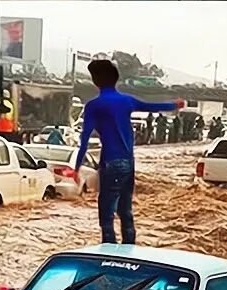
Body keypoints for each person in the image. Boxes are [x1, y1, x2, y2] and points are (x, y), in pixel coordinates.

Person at [75, 58, 183, 245]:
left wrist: (77, 167)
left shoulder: (94, 106)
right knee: (125, 210)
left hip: (110, 162)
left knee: (106, 213)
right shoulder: (127, 101)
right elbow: (152, 107)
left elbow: (84, 139)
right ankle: (130, 251)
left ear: (95, 81)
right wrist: (175, 104)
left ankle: (108, 252)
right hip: (129, 162)